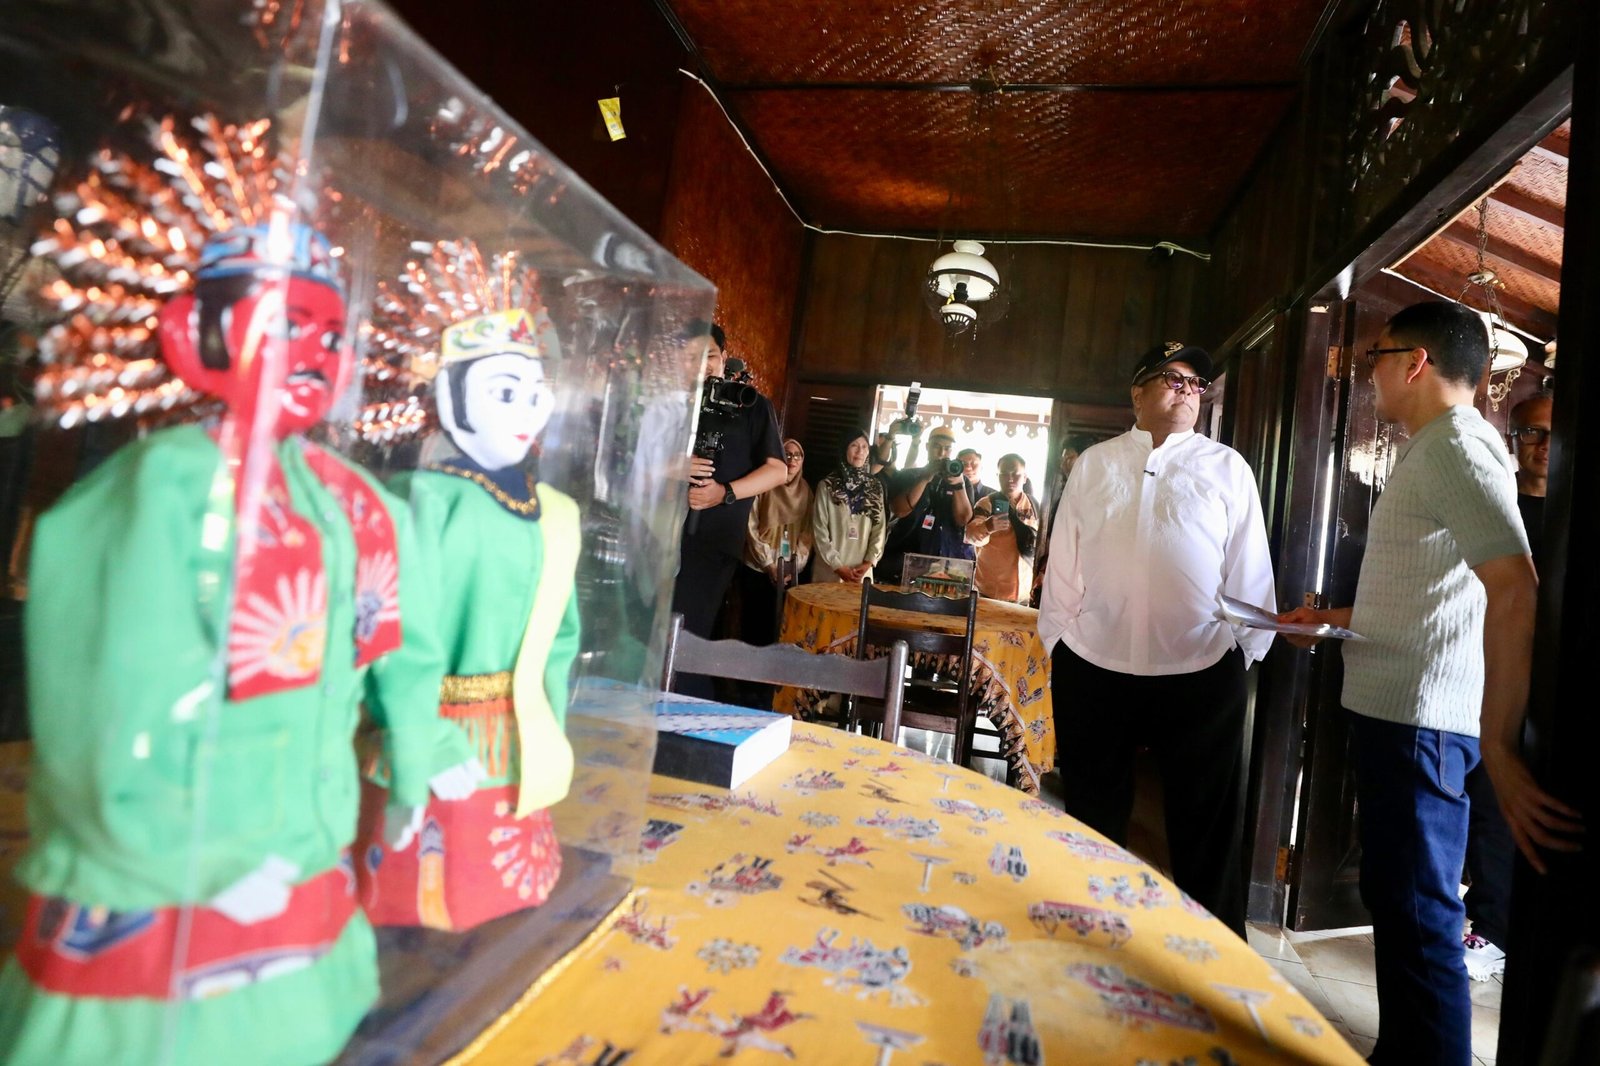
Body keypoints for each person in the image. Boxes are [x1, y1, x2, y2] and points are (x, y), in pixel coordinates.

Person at [1279, 303, 1579, 1066]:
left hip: (1421, 721)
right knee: (1401, 905)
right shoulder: (1437, 448)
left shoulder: (1457, 447)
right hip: (1400, 712)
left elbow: (1515, 589)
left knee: (1419, 915)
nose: (1368, 372)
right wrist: (1328, 619)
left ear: (1414, 362)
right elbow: (1435, 593)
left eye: (1376, 356)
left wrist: (1499, 745)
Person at [1037, 342, 1275, 936]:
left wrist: (1243, 652)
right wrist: (1059, 639)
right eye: (1173, 378)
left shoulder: (1227, 468)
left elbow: (1249, 569)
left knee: (1206, 827)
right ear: (1137, 392)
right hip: (1094, 663)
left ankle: (1215, 955)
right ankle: (1090, 936)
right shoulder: (1095, 464)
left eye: (1196, 383)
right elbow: (1064, 559)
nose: (1188, 390)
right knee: (1092, 817)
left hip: (1200, 668)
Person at [1457, 390, 1552, 980]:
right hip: (1479, 667)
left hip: (1551, 681)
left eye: (1552, 433)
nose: (1542, 446)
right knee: (1484, 799)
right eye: (1531, 433)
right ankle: (1489, 925)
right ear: (1513, 440)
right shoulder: (1496, 504)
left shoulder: (1576, 510)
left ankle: (1502, 927)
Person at [670, 321, 787, 694]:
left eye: (709, 356)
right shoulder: (672, 404)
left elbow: (777, 470)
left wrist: (725, 493)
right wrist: (673, 467)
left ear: (724, 357)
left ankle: (684, 714)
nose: (702, 365)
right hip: (659, 537)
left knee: (686, 636)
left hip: (713, 542)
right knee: (653, 635)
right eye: (690, 358)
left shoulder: (750, 405)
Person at [738, 437, 813, 643]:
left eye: (797, 455)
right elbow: (751, 525)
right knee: (753, 629)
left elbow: (808, 532)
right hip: (758, 567)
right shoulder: (765, 483)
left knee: (780, 630)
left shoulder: (806, 491)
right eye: (787, 454)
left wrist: (794, 566)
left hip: (789, 572)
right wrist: (768, 564)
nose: (792, 459)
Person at [878, 425, 974, 584]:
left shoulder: (962, 482)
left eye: (947, 449)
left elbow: (963, 520)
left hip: (943, 566)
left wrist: (959, 485)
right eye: (937, 446)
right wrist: (924, 478)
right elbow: (899, 510)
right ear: (927, 447)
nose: (942, 453)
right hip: (902, 561)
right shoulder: (908, 475)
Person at [811, 428, 889, 584]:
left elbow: (879, 528)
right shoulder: (827, 486)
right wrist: (837, 566)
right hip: (829, 571)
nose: (860, 451)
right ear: (844, 449)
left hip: (861, 572)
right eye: (854, 445)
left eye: (864, 446)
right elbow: (818, 530)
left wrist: (869, 561)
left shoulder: (875, 487)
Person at [1032, 433, 1096, 604]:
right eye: (1063, 459)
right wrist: (1044, 571)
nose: (1062, 464)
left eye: (1069, 458)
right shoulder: (1066, 495)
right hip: (1062, 576)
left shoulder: (1097, 497)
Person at [967, 453, 1040, 602]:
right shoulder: (986, 504)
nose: (1010, 478)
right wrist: (987, 526)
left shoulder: (1034, 505)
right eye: (1004, 474)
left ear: (1025, 477)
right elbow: (971, 536)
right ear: (997, 476)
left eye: (1015, 474)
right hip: (991, 593)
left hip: (1026, 594)